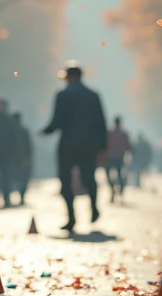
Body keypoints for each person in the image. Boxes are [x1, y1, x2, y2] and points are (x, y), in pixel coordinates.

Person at [40, 62, 107, 231]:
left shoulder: (62, 95)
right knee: (89, 178)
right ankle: (94, 209)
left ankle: (71, 217)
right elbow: (101, 122)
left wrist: (45, 131)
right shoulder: (93, 95)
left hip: (68, 144)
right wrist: (102, 146)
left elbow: (57, 121)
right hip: (88, 145)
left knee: (66, 181)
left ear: (69, 77)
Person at [105, 116, 131, 202]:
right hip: (119, 157)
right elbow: (128, 147)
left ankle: (112, 188)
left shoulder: (109, 133)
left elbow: (105, 144)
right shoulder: (124, 134)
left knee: (108, 175)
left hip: (110, 157)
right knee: (120, 175)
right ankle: (121, 189)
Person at [11, 112, 33, 205]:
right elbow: (29, 146)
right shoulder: (24, 131)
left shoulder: (9, 132)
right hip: (23, 159)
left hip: (13, 160)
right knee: (23, 179)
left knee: (14, 178)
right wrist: (27, 158)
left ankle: (9, 198)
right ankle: (22, 196)